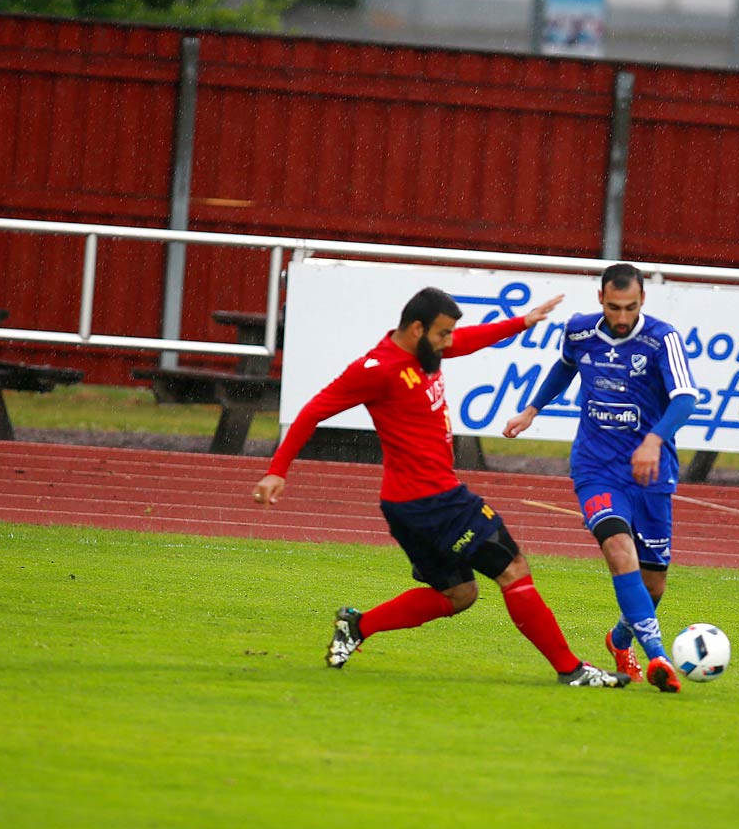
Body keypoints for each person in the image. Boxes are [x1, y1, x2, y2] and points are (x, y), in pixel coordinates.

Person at [253, 286, 629, 688]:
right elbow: (313, 410)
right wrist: (278, 470)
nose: (449, 341)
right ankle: (571, 670)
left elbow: (465, 342)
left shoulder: (425, 350)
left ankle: (357, 625)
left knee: (459, 594)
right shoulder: (378, 368)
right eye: (443, 333)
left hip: (408, 507)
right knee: (514, 569)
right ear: (417, 329)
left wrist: (521, 322)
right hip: (434, 502)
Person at [501, 263, 700, 693]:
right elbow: (563, 368)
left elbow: (685, 401)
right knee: (617, 547)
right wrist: (531, 410)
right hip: (596, 468)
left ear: (643, 300)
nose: (622, 316)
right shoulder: (579, 331)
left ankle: (620, 638)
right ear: (600, 300)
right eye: (614, 307)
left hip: (650, 472)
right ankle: (659, 658)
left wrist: (653, 440)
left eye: (630, 307)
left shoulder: (662, 339)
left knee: (653, 583)